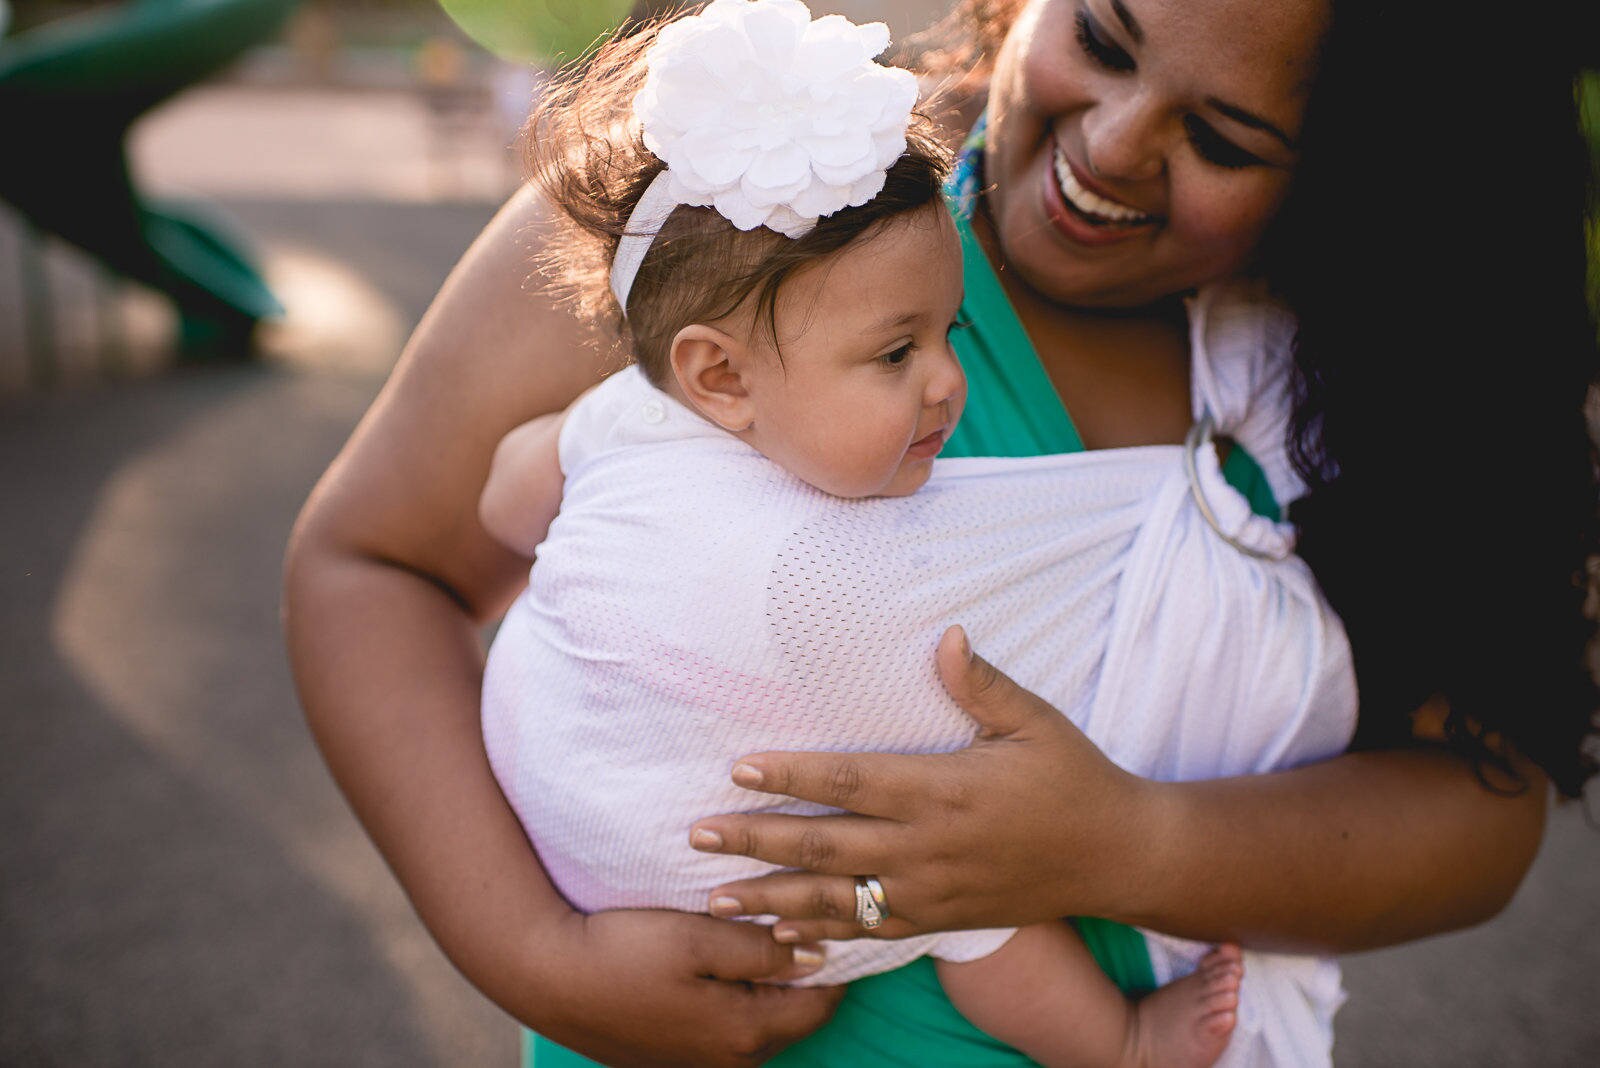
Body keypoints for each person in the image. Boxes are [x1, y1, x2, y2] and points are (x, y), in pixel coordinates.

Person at [282, 1, 1598, 1066]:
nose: (1116, 144)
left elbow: (1480, 815)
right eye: (1102, 38)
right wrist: (526, 952)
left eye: (1230, 140)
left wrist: (1124, 846)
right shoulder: (727, 226)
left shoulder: (1388, 401)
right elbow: (371, 563)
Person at [473, 4, 1320, 1064]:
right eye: (893, 355)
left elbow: (503, 506)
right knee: (965, 887)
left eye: (950, 330)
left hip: (586, 834)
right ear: (719, 376)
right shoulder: (855, 590)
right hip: (716, 893)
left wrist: (564, 479)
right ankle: (1123, 1043)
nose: (946, 383)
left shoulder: (625, 420)